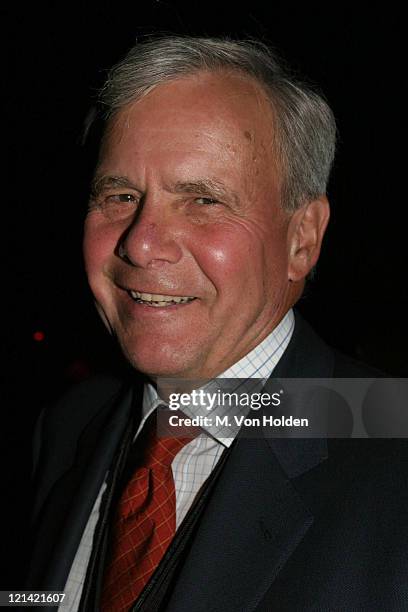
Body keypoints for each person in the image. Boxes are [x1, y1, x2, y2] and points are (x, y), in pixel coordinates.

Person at [27, 36, 408, 611]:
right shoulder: (68, 425)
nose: (142, 243)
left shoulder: (391, 453)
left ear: (302, 239)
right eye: (121, 195)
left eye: (202, 200)